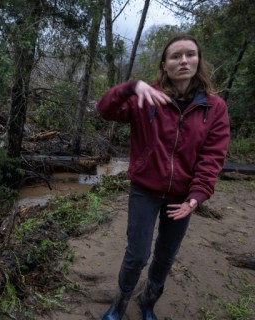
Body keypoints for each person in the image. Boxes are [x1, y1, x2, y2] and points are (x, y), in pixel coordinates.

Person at [97, 34, 230, 320]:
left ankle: (148, 301)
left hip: (183, 197)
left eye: (190, 54)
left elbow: (212, 158)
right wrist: (130, 87)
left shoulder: (214, 107)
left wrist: (196, 197)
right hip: (145, 190)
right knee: (137, 254)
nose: (184, 60)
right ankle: (119, 304)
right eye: (175, 56)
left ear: (198, 60)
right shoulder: (145, 98)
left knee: (166, 255)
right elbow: (104, 109)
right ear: (164, 64)